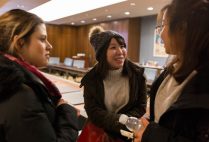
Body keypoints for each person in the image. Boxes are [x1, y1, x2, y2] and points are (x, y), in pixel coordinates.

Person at [134, 0, 209, 142]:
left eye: (162, 25)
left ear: (182, 28)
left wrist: (149, 134)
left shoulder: (203, 83)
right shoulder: (173, 69)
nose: (160, 34)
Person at [0, 9, 79, 142]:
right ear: (20, 43)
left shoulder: (12, 83)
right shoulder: (20, 94)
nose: (50, 46)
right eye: (42, 39)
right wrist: (68, 114)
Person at [79, 26, 147, 141]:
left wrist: (125, 121)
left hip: (127, 134)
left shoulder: (137, 75)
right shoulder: (91, 78)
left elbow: (141, 106)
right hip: (99, 134)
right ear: (102, 53)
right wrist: (120, 121)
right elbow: (93, 111)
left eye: (122, 46)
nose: (120, 52)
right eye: (113, 47)